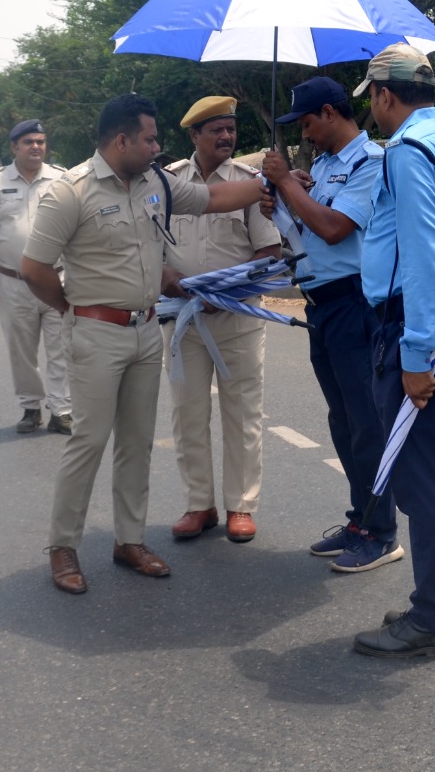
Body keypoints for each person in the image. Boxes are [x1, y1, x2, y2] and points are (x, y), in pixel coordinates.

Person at [21, 93, 267, 595]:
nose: (158, 146)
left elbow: (217, 200)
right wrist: (73, 310)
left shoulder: (157, 182)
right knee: (88, 442)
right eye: (151, 138)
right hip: (95, 333)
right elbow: (34, 269)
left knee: (137, 441)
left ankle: (128, 540)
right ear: (121, 140)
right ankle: (63, 547)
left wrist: (274, 182)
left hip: (147, 330)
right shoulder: (71, 192)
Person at [347, 43, 435, 661]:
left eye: (371, 100)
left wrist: (415, 354)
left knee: (422, 475)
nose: (372, 112)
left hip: (415, 323)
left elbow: (423, 255)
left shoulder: (405, 151)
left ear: (384, 95)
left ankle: (431, 617)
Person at [260, 76, 397, 571]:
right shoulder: (321, 167)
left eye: (306, 123)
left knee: (366, 423)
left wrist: (283, 185)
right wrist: (282, 208)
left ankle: (382, 533)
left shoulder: (371, 162)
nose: (305, 135)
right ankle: (361, 519)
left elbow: (336, 230)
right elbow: (307, 234)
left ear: (329, 112)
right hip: (320, 305)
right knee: (342, 422)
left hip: (354, 303)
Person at [162, 96, 281, 544]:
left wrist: (227, 291)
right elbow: (149, 247)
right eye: (216, 130)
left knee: (243, 413)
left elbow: (269, 252)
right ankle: (199, 505)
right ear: (194, 135)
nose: (227, 136)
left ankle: (241, 507)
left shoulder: (252, 184)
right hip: (181, 319)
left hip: (238, 317)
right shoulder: (168, 182)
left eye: (231, 129)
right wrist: (166, 276)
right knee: (186, 414)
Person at [0, 119, 72, 433]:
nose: (36, 147)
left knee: (62, 347)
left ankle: (61, 410)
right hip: (14, 282)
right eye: (29, 142)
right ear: (14, 146)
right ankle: (31, 407)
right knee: (21, 350)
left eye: (41, 141)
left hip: (57, 280)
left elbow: (76, 231)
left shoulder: (61, 180)